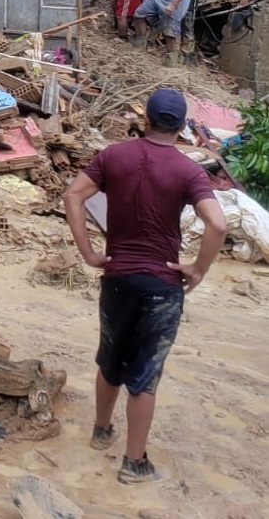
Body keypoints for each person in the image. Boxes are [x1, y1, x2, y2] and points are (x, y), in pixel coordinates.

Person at [62, 87, 226, 485]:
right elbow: (218, 225)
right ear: (183, 126)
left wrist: (88, 252)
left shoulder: (113, 156)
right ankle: (134, 463)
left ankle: (102, 430)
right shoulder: (189, 170)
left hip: (117, 276)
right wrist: (197, 269)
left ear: (146, 120)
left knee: (110, 356)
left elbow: (72, 196)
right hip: (161, 284)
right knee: (144, 375)